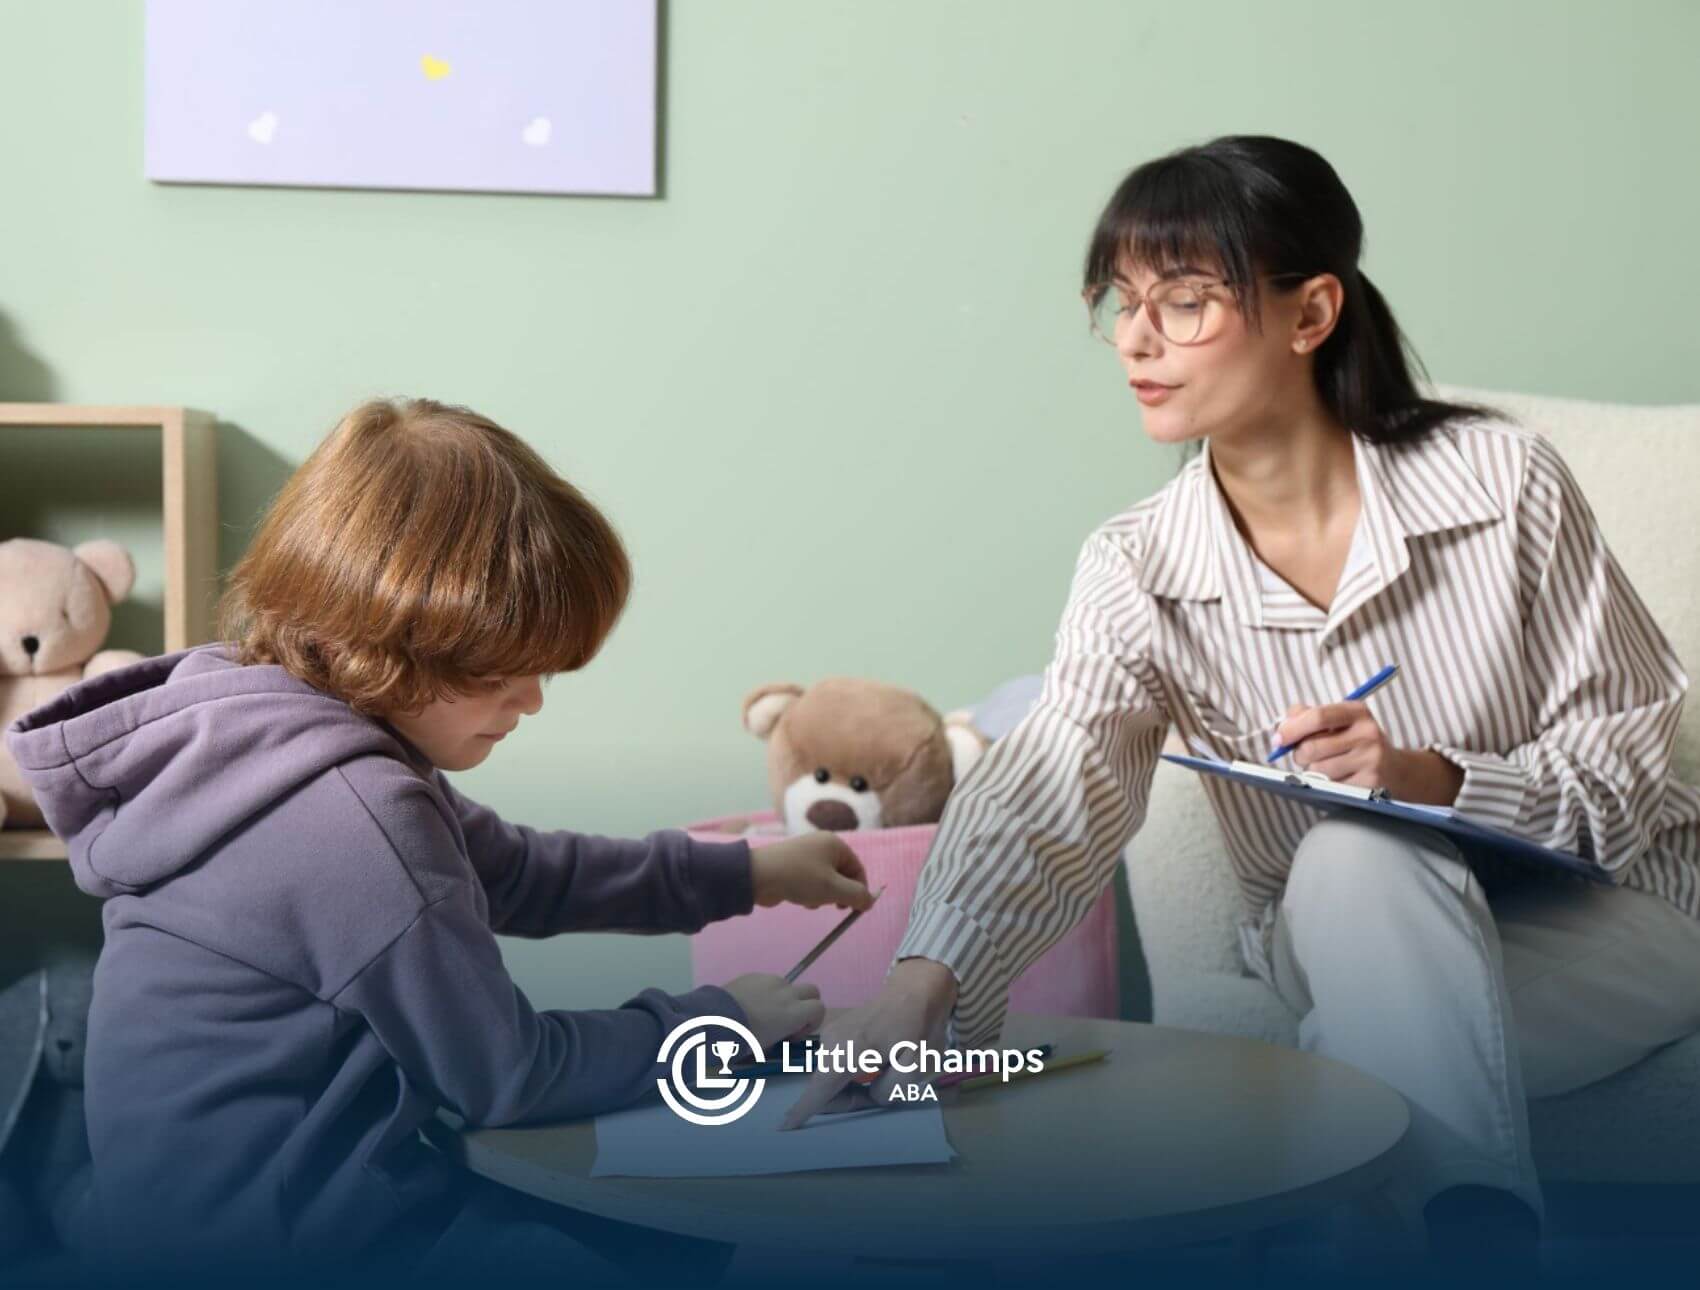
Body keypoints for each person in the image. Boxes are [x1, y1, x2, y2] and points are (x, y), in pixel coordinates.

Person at [780, 135, 1700, 1273]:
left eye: (1182, 303)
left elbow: (1630, 753)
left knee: (1355, 1034)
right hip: (1345, 933)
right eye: (1122, 303)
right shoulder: (1135, 564)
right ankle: (1471, 1250)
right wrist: (923, 980)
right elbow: (1056, 773)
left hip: (1606, 926)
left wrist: (1428, 777)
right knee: (1354, 862)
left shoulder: (1502, 483)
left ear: (1310, 313)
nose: (1134, 339)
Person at [5, 397, 872, 1285]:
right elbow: (509, 1075)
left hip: (209, 1212)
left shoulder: (268, 728)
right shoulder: (350, 818)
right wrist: (726, 1025)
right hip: (289, 1243)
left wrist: (747, 871)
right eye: (501, 674)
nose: (531, 701)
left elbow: (520, 874)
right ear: (383, 644)